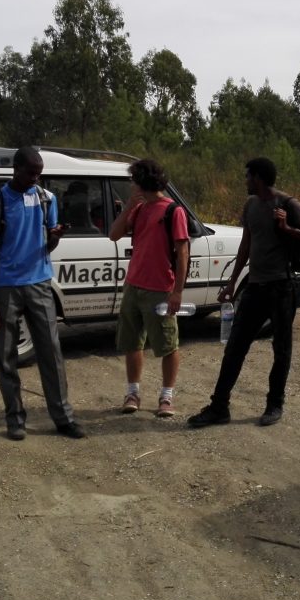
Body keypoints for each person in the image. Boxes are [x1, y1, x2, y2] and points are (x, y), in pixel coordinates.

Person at [188, 157, 300, 428]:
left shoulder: (287, 203)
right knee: (235, 347)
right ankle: (219, 407)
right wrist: (231, 283)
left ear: (258, 177)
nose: (245, 180)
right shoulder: (250, 205)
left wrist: (286, 228)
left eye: (247, 176)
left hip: (281, 288)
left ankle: (275, 405)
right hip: (254, 289)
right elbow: (245, 245)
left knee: (281, 349)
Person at [0, 146, 85, 441]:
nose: (36, 178)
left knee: (51, 353)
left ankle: (63, 418)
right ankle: (15, 419)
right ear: (15, 169)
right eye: (31, 173)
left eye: (39, 174)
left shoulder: (46, 199)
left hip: (40, 284)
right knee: (6, 356)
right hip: (6, 288)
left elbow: (47, 246)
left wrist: (55, 237)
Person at [108, 158, 190, 418]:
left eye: (133, 181)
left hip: (160, 289)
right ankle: (132, 393)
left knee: (167, 344)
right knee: (132, 343)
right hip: (133, 286)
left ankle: (166, 397)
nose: (131, 185)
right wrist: (129, 205)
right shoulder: (139, 208)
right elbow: (114, 234)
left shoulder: (173, 211)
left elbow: (183, 253)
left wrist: (177, 291)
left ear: (142, 182)